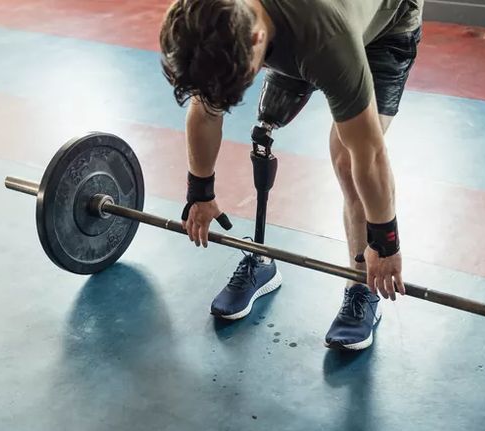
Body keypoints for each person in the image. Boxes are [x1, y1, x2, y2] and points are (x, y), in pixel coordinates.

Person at [160, 0, 423, 350]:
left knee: (347, 156)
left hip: (387, 21)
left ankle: (360, 283)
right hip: (301, 24)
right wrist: (200, 190)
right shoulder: (205, 15)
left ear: (257, 38)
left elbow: (370, 154)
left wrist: (385, 242)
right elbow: (206, 106)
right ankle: (261, 260)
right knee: (263, 128)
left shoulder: (325, 37)